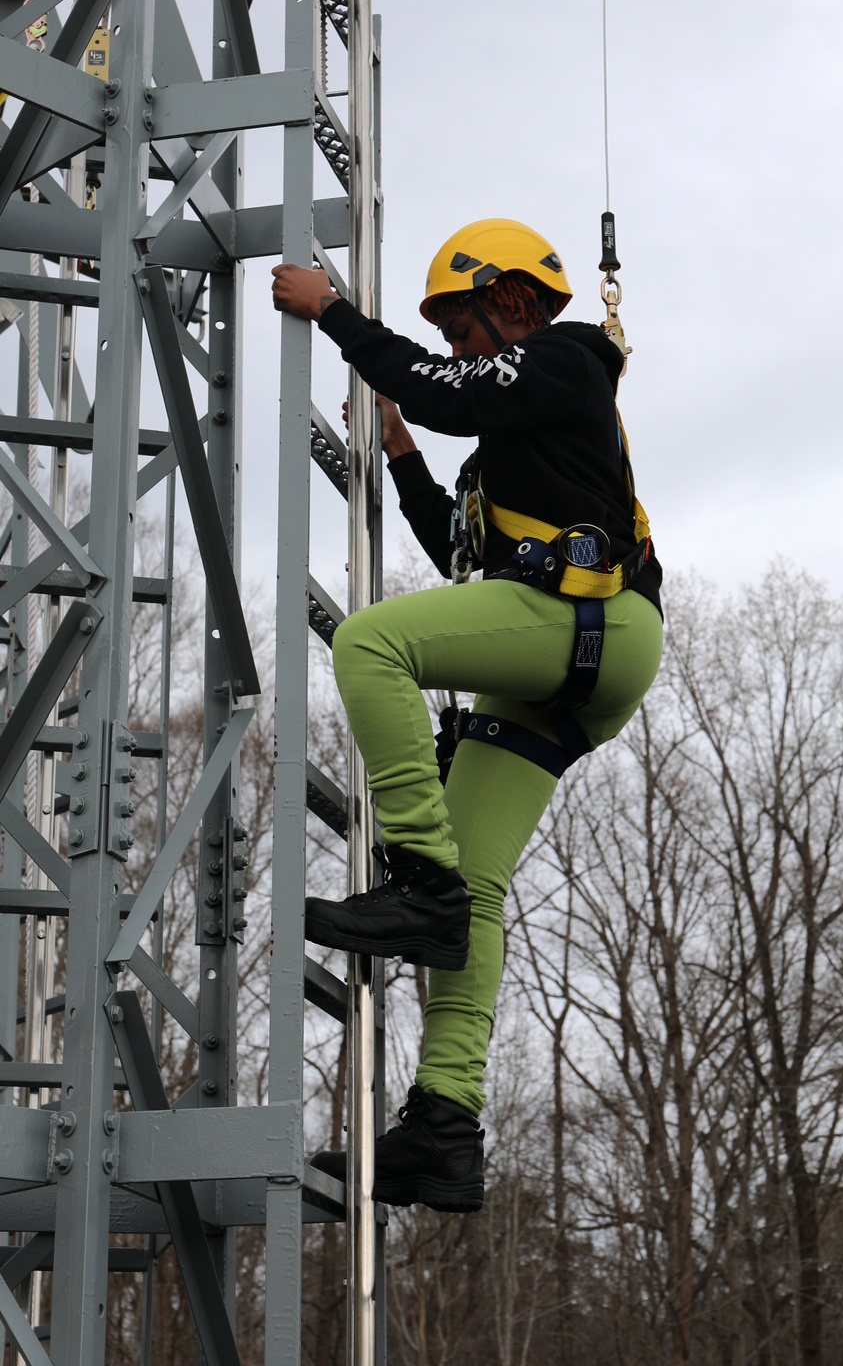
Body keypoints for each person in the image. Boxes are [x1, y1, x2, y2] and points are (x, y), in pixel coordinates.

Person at [271, 218, 663, 1213]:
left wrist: (336, 314)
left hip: (595, 623)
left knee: (370, 642)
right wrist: (400, 453)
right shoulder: (510, 457)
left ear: (516, 301)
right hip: (560, 657)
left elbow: (447, 394)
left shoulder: (571, 359)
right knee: (481, 892)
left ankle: (420, 879)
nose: (453, 348)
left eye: (460, 325)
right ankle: (445, 1126)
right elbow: (457, 544)